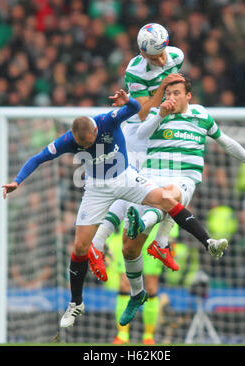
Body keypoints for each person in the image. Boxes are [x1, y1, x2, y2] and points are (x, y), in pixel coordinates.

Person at [2, 89, 226, 329]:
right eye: (83, 145)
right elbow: (37, 158)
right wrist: (17, 180)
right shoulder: (68, 140)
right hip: (96, 188)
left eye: (89, 142)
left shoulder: (107, 120)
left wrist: (126, 100)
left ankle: (208, 242)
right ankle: (76, 302)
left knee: (167, 201)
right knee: (79, 246)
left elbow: (132, 109)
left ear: (96, 131)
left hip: (126, 178)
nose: (87, 147)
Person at [119, 78, 245, 326]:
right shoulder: (158, 113)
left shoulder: (201, 116)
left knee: (168, 196)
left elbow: (225, 142)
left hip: (183, 179)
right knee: (129, 248)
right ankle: (137, 293)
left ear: (188, 96)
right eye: (168, 93)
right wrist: (159, 113)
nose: (171, 97)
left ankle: (149, 227)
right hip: (150, 178)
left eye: (176, 93)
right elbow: (140, 133)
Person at [88, 23, 186, 283]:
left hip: (158, 130)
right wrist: (162, 86)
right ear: (143, 54)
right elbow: (142, 112)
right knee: (131, 188)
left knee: (171, 185)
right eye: (156, 56)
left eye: (163, 51)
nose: (162, 58)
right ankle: (99, 243)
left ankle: (158, 242)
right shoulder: (135, 70)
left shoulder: (176, 55)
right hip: (138, 134)